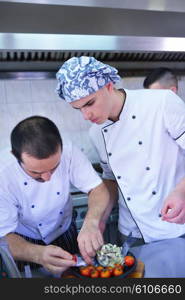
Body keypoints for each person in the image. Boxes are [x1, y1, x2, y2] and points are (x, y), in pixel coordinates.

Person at [56, 56, 185, 260]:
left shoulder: (161, 103)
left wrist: (181, 191)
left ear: (108, 86)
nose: (86, 115)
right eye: (78, 108)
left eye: (89, 103)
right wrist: (95, 220)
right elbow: (111, 180)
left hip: (175, 225)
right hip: (131, 233)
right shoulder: (96, 133)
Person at [0, 116, 110, 274]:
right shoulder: (3, 174)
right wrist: (37, 254)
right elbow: (3, 236)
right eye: (36, 172)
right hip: (22, 241)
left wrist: (91, 222)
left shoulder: (69, 151)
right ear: (15, 155)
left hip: (63, 231)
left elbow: (97, 189)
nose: (47, 178)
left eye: (54, 168)